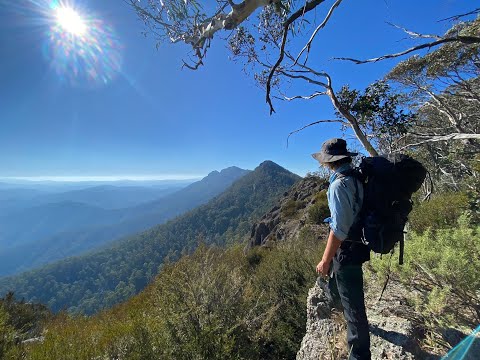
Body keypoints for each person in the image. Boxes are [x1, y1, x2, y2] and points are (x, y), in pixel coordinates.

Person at [312, 138, 371, 360]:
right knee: (349, 298)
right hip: (359, 245)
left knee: (354, 308)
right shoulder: (355, 176)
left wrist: (325, 260)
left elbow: (338, 230)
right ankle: (348, 322)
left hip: (347, 250)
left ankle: (359, 355)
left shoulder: (339, 185)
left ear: (329, 162)